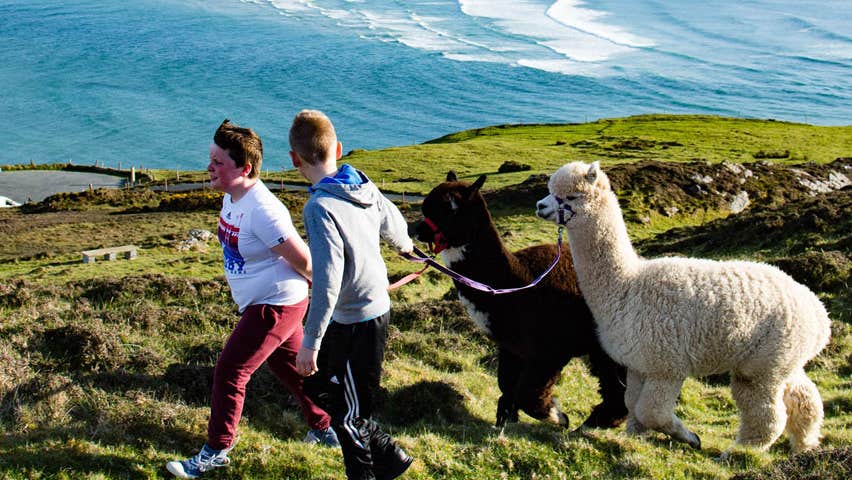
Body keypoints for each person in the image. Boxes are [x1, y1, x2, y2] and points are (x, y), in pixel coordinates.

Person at [167, 119, 338, 479]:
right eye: (210, 159)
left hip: (276, 304)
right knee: (292, 371)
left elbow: (305, 262)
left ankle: (216, 450)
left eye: (218, 163)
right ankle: (327, 428)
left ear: (245, 168)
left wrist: (333, 291)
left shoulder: (264, 211)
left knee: (231, 371)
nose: (209, 168)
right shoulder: (233, 197)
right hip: (265, 302)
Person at [290, 110, 415, 480]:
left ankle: (369, 473)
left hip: (357, 321)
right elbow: (395, 225)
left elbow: (327, 279)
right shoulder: (362, 183)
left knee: (348, 418)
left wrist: (310, 342)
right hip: (359, 314)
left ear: (295, 160)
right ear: (339, 149)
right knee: (317, 387)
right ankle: (391, 457)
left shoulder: (318, 207)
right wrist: (407, 246)